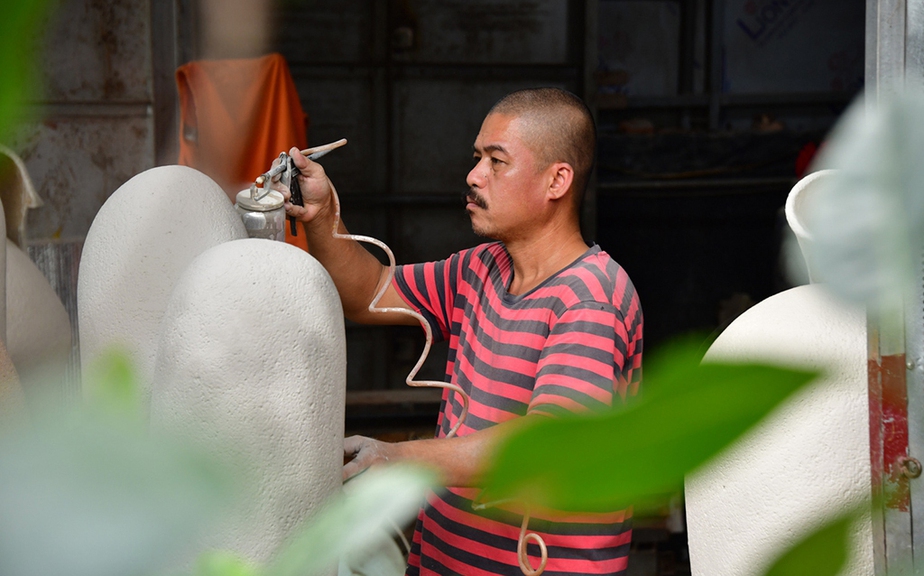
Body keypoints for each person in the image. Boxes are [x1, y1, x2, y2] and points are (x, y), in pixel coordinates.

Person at [279, 88, 643, 575]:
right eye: (477, 158)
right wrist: (322, 214)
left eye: (497, 161)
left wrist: (398, 458)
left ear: (557, 181)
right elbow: (370, 291)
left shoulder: (591, 296)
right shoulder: (481, 268)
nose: (474, 176)